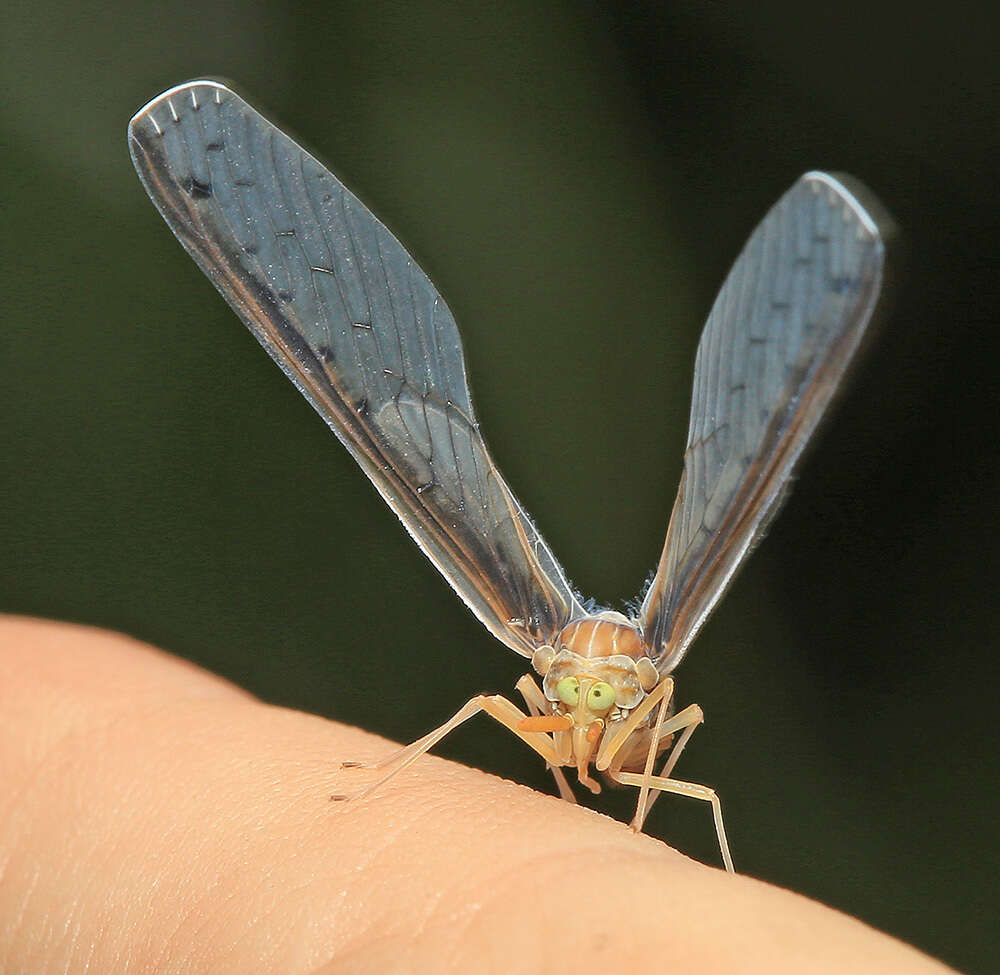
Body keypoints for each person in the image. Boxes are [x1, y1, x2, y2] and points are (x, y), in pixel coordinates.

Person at [0, 617, 951, 973]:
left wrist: (629, 817)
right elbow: (498, 703)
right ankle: (384, 775)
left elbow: (678, 718)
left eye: (593, 694)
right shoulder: (542, 691)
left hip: (633, 788)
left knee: (691, 784)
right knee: (483, 704)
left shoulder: (650, 708)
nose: (574, 704)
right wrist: (374, 782)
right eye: (567, 689)